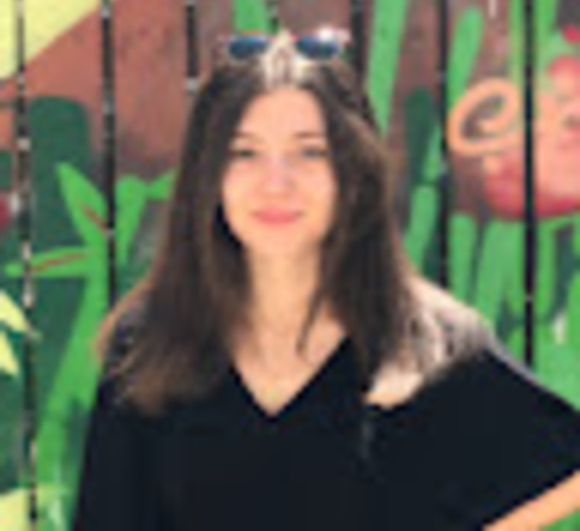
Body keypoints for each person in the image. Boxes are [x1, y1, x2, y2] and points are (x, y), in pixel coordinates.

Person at [73, 28, 580, 530]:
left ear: (353, 174)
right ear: (207, 177)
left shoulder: (427, 342)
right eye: (244, 153)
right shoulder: (153, 342)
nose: (276, 182)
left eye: (310, 152)